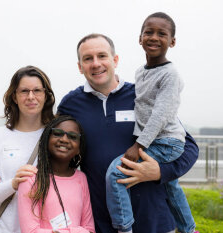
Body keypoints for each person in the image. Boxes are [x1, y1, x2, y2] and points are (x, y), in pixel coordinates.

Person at [57, 33, 199, 233]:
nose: (96, 63)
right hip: (101, 222)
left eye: (102, 56)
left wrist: (161, 172)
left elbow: (189, 147)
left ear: (115, 60)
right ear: (80, 66)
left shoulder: (142, 94)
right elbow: (53, 147)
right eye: (88, 59)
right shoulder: (71, 104)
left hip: (155, 221)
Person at [105, 12, 196, 233]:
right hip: (158, 141)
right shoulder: (140, 72)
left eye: (161, 34)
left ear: (172, 42)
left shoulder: (170, 74)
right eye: (149, 32)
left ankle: (124, 228)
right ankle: (189, 229)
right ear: (140, 38)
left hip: (166, 142)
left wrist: (139, 145)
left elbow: (160, 115)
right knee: (171, 185)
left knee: (115, 173)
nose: (154, 37)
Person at [0, 65, 55, 233]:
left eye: (37, 90)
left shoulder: (57, 136)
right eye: (24, 91)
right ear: (14, 97)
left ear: (46, 95)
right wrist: (12, 184)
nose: (31, 97)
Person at [18, 115, 95, 233]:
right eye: (58, 133)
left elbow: (90, 229)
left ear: (79, 148)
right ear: (47, 139)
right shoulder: (30, 179)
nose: (64, 139)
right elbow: (30, 231)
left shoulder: (81, 178)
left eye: (73, 136)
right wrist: (76, 231)